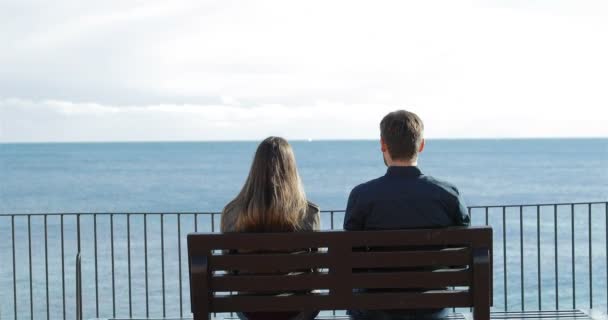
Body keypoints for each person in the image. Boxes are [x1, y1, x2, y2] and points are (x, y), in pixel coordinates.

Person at [344, 110, 470, 320]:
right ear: (421, 145)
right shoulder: (448, 195)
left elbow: (351, 262)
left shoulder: (362, 196)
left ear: (383, 144)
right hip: (433, 311)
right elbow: (459, 262)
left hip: (375, 312)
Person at [221, 136, 320, 320]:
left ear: (255, 169)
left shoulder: (231, 213)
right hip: (298, 311)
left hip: (249, 310)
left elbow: (230, 271)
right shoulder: (308, 213)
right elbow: (314, 271)